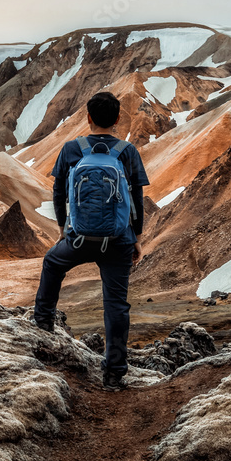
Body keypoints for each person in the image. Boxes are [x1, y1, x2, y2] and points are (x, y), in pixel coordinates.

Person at [33, 91, 149, 391]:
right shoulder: (128, 151)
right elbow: (137, 197)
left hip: (79, 237)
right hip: (119, 239)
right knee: (115, 304)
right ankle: (113, 374)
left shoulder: (72, 149)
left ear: (88, 118)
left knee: (52, 262)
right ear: (118, 119)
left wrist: (63, 228)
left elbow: (59, 193)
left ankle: (43, 324)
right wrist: (136, 237)